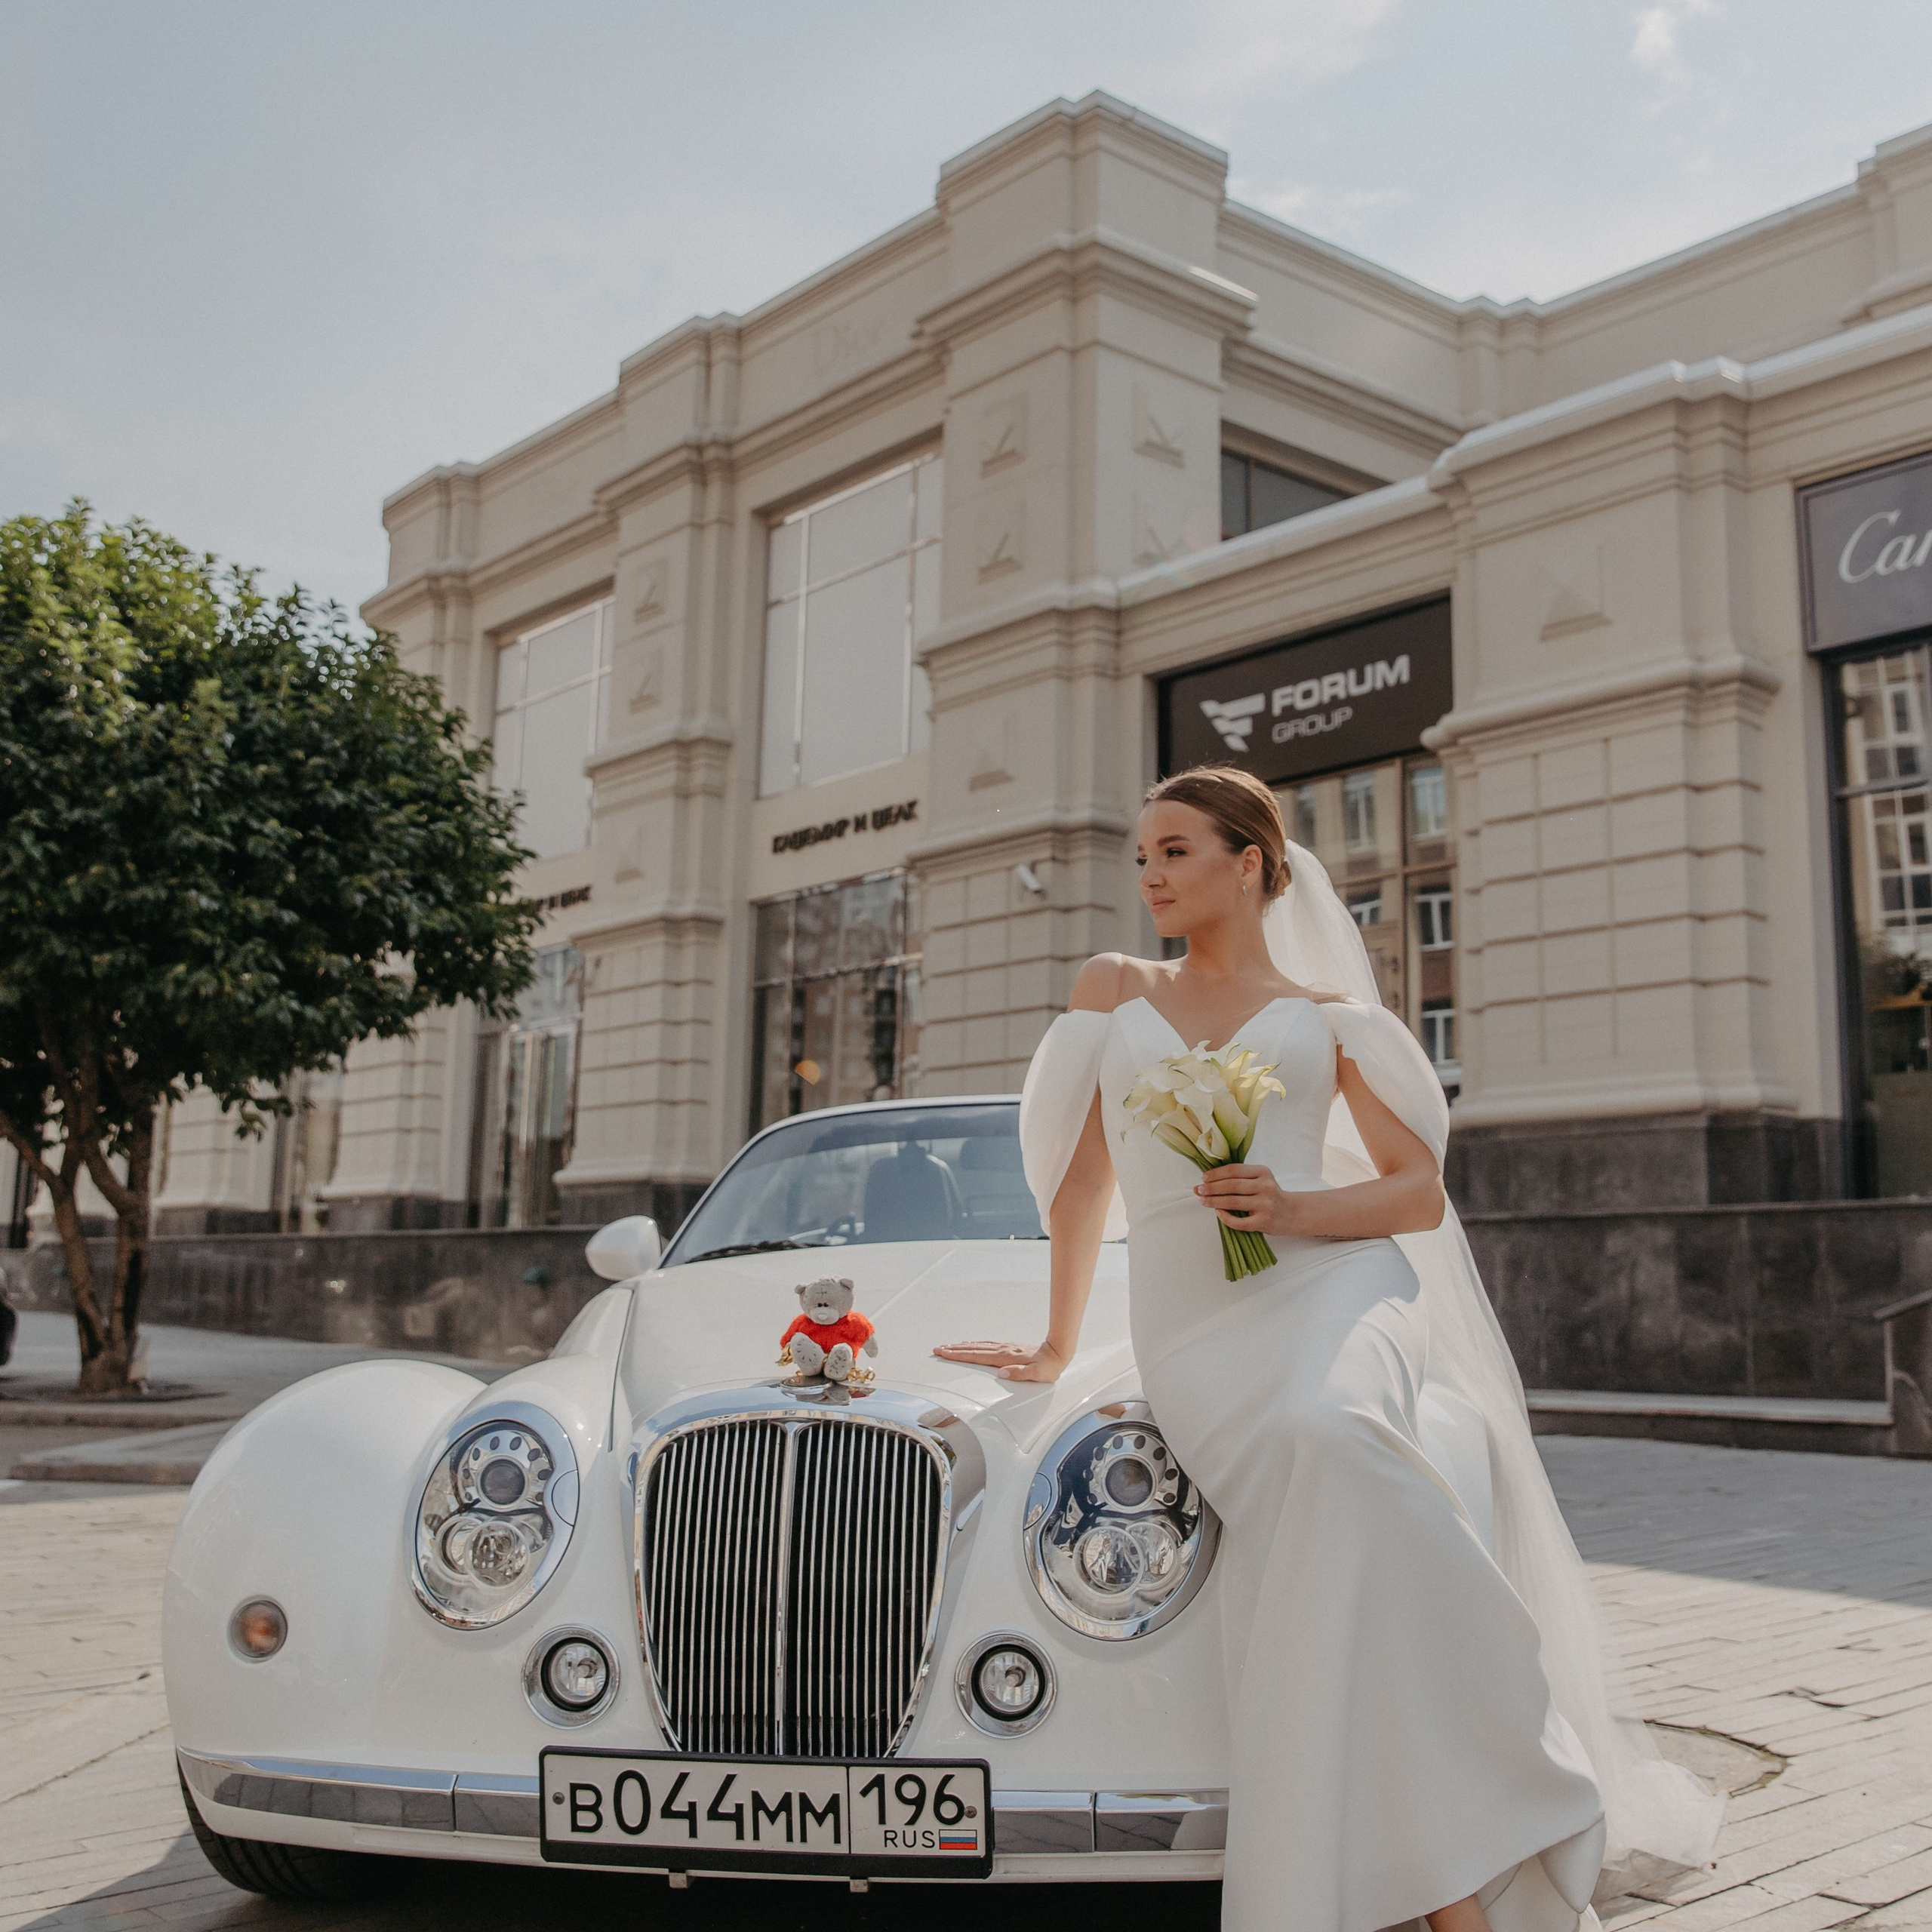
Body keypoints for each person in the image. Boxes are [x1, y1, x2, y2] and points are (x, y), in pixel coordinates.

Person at [937, 765, 1721, 1932]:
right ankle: (1467, 1839)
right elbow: (1085, 1180)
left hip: (1334, 1291)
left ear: (1250, 863)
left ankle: (1448, 1864)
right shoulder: (1112, 990)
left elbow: (1412, 1195)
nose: (1148, 876)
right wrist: (1056, 1346)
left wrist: (1291, 1208)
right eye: (1141, 857)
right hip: (1197, 1326)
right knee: (1346, 1534)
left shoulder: (1332, 1019)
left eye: (1175, 851)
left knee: (1335, 1436)